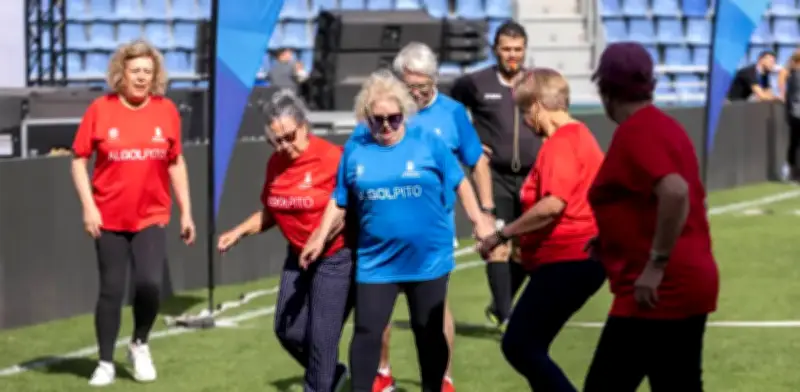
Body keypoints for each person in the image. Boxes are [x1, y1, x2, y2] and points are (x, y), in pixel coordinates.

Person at [300, 69, 494, 392]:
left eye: (394, 118)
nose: (387, 126)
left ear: (405, 114)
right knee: (366, 331)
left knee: (427, 330)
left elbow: (460, 181)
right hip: (377, 261)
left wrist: (480, 219)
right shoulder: (356, 148)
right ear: (366, 117)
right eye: (378, 120)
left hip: (428, 258)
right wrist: (320, 236)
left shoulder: (428, 142)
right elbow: (340, 198)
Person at [583, 42, 720, 392]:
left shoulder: (636, 132)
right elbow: (649, 198)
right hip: (686, 280)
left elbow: (674, 192)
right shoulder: (666, 127)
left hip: (657, 292)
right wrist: (611, 238)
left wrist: (655, 265)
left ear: (606, 89)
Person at [70, 39, 196, 387]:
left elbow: (175, 162)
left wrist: (186, 212)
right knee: (111, 289)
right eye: (135, 70)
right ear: (121, 73)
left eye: (148, 71)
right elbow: (79, 160)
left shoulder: (166, 110)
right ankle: (106, 362)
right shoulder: (100, 109)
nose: (141, 77)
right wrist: (88, 207)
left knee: (149, 285)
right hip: (108, 218)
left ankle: (139, 343)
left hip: (152, 215)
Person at [371, 41, 495, 392]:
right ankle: (382, 373)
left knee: (435, 307)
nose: (416, 94)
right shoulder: (384, 111)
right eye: (409, 86)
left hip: (435, 227)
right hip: (386, 226)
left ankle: (444, 378)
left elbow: (478, 161)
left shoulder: (452, 113)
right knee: (379, 305)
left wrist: (485, 212)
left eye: (422, 87)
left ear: (434, 81)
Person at [475, 68, 605, 391]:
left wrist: (503, 234)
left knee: (519, 345)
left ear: (536, 106)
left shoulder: (561, 143)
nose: (525, 122)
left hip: (568, 260)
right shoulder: (581, 136)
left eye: (523, 112)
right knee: (531, 345)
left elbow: (552, 205)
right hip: (575, 260)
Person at [217, 90, 351, 392]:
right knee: (287, 330)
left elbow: (345, 207)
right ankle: (331, 374)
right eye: (275, 141)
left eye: (289, 137)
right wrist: (237, 232)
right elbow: (272, 211)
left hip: (335, 256)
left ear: (304, 125)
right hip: (298, 255)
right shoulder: (275, 164)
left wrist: (321, 237)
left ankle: (320, 383)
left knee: (322, 338)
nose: (284, 146)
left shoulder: (332, 158)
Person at [450, 21, 540, 329]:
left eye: (518, 49)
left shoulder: (537, 82)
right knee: (496, 245)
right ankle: (507, 317)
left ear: (525, 50)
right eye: (506, 49)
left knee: (526, 251)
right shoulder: (475, 83)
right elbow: (450, 109)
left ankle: (500, 303)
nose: (512, 55)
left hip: (533, 177)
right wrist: (471, 139)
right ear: (495, 51)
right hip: (495, 176)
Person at [779, 49, 800, 181]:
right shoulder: (796, 76)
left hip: (794, 114)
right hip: (797, 114)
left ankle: (791, 170)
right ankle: (794, 172)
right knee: (796, 144)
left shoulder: (792, 75)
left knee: (794, 143)